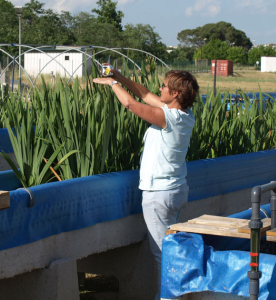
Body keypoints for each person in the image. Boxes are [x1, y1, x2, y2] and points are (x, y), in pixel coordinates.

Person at [93, 67, 199, 300]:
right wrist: (118, 77)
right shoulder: (184, 115)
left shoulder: (167, 118)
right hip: (176, 190)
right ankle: (180, 295)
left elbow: (131, 104)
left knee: (163, 252)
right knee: (173, 249)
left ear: (177, 94)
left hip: (159, 194)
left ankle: (168, 298)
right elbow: (143, 95)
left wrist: (112, 85)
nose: (160, 88)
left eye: (164, 86)